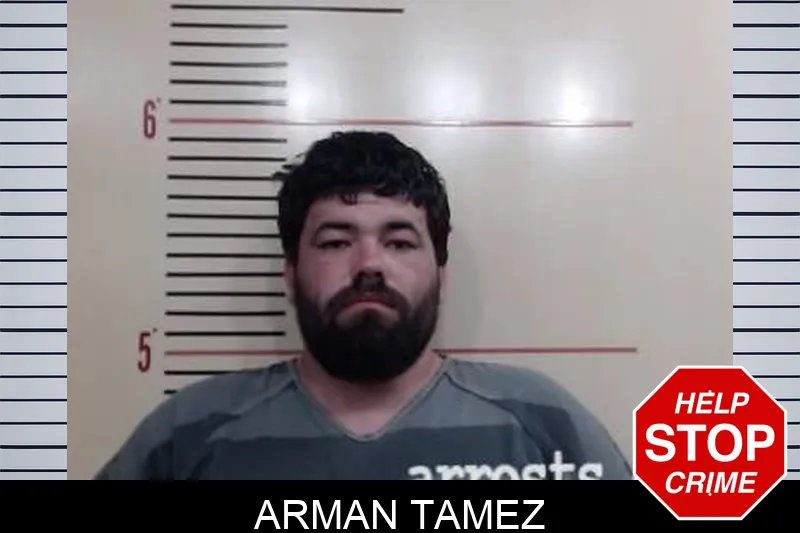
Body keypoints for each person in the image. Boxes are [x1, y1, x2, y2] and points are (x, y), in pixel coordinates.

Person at [95, 130, 631, 480]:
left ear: (440, 274)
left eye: (399, 242)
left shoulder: (544, 424)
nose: (369, 264)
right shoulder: (188, 435)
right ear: (290, 273)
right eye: (335, 242)